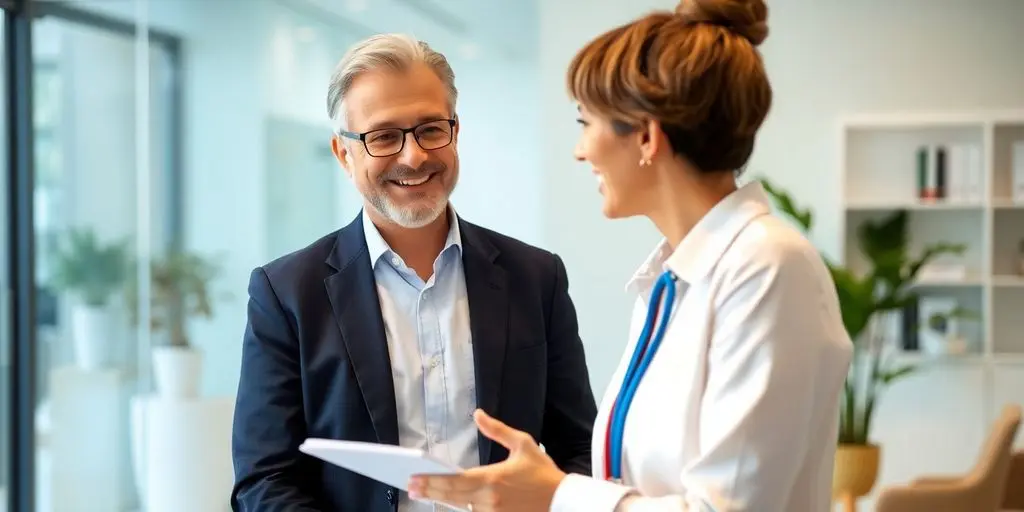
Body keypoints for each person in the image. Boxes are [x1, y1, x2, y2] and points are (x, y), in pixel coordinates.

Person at [407, 0, 854, 511]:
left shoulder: (769, 269)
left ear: (646, 135)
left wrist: (557, 494)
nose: (580, 151)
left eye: (585, 122)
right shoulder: (673, 280)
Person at [230, 33, 598, 512]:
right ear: (344, 154)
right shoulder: (286, 293)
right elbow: (265, 479)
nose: (413, 156)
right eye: (384, 136)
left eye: (430, 129)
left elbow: (582, 451)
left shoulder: (536, 277)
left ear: (456, 131)